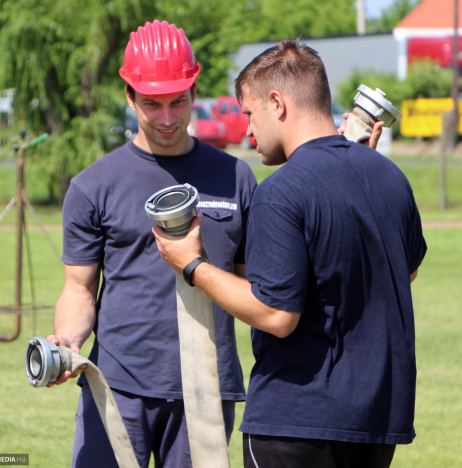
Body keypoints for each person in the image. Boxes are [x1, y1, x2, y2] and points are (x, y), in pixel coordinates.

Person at [153, 39, 427, 468]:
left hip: (295, 422)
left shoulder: (280, 191)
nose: (248, 132)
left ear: (277, 103)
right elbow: (404, 272)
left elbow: (277, 315)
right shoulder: (390, 176)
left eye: (249, 113)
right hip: (377, 421)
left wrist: (192, 264)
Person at [45, 20, 258, 468]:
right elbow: (79, 289)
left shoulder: (235, 177)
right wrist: (68, 338)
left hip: (206, 387)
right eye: (151, 104)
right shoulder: (92, 186)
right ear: (129, 96)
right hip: (116, 386)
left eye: (178, 101)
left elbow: (255, 289)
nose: (166, 118)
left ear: (194, 91)